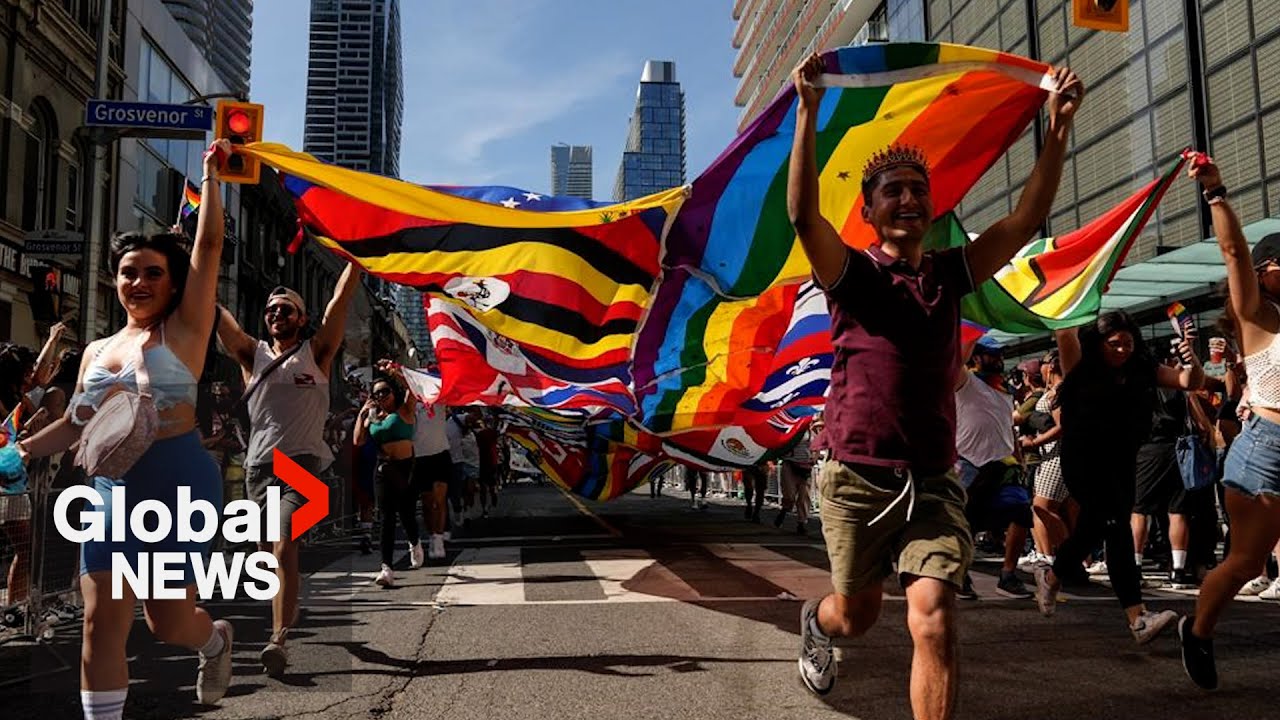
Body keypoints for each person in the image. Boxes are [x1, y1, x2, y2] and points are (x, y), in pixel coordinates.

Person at [787, 51, 1083, 719]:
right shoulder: (852, 275)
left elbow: (1024, 222)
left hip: (932, 478)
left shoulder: (951, 273)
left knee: (933, 619)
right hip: (855, 477)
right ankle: (817, 621)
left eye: (917, 187)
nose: (907, 197)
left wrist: (1057, 129)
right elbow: (806, 218)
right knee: (856, 617)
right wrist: (807, 114)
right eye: (892, 189)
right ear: (868, 211)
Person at [16, 140, 234, 716]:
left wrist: (212, 176)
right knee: (100, 621)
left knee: (168, 623)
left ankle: (213, 640)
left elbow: (209, 244)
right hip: (111, 492)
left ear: (172, 281)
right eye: (127, 273)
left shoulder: (185, 330)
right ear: (114, 280)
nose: (138, 283)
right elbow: (74, 423)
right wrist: (20, 452)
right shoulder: (94, 351)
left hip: (178, 486)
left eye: (152, 273)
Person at [213, 256, 361, 677]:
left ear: (302, 318)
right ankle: (287, 610)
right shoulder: (251, 354)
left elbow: (340, 301)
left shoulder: (317, 352)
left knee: (283, 545)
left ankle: (277, 639)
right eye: (271, 310)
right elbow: (218, 317)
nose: (277, 313)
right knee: (266, 558)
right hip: (259, 467)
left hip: (301, 467)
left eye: (287, 309)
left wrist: (353, 257)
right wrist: (194, 269)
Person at [1032, 313, 1203, 644]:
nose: (1123, 350)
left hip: (1122, 459)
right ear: (1098, 344)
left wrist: (1192, 358)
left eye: (1128, 343)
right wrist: (1072, 298)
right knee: (1113, 525)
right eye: (1114, 344)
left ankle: (1052, 575)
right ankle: (1137, 619)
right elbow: (1064, 332)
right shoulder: (1080, 364)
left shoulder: (1142, 368)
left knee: (1100, 527)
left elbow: (1188, 382)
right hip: (1083, 458)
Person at [1179, 158, 1280, 689]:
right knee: (1244, 562)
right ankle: (1199, 631)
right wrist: (1216, 191)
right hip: (1266, 451)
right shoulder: (1259, 319)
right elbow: (1234, 252)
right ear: (1267, 273)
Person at [352, 369, 423, 587]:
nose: (382, 397)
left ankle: (415, 542)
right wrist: (362, 414)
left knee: (407, 514)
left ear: (394, 392)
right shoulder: (373, 417)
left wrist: (398, 372)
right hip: (384, 469)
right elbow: (358, 441)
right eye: (377, 394)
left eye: (385, 392)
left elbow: (413, 388)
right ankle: (386, 568)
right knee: (387, 517)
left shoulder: (405, 410)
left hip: (406, 467)